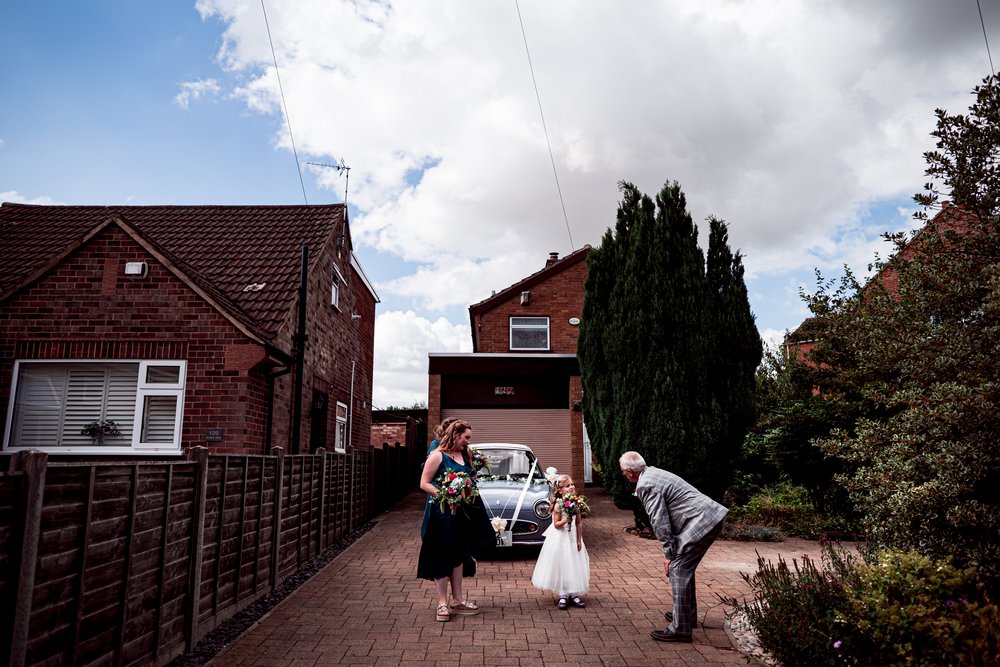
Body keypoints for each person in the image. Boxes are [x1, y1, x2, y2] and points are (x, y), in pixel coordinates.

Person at [619, 451, 728, 643]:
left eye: (623, 472)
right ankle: (686, 616)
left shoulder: (645, 484)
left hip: (701, 521)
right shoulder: (653, 472)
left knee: (677, 567)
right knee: (685, 567)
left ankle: (681, 629)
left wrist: (669, 554)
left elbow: (659, 521)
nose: (623, 475)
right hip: (709, 517)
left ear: (629, 472)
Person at [417, 419, 482, 622]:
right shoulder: (437, 456)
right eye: (466, 437)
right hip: (441, 515)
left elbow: (469, 479)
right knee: (442, 556)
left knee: (459, 555)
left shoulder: (465, 455)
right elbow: (424, 483)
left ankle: (458, 600)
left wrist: (468, 488)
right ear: (455, 435)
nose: (468, 442)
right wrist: (446, 495)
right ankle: (442, 603)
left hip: (461, 515)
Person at [531, 474, 590, 610]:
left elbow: (579, 523)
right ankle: (563, 594)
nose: (572, 487)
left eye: (572, 484)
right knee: (563, 564)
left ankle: (574, 593)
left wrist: (579, 539)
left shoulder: (576, 502)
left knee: (574, 563)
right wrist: (565, 520)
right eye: (568, 485)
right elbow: (556, 524)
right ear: (560, 490)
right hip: (560, 538)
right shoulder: (559, 504)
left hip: (572, 538)